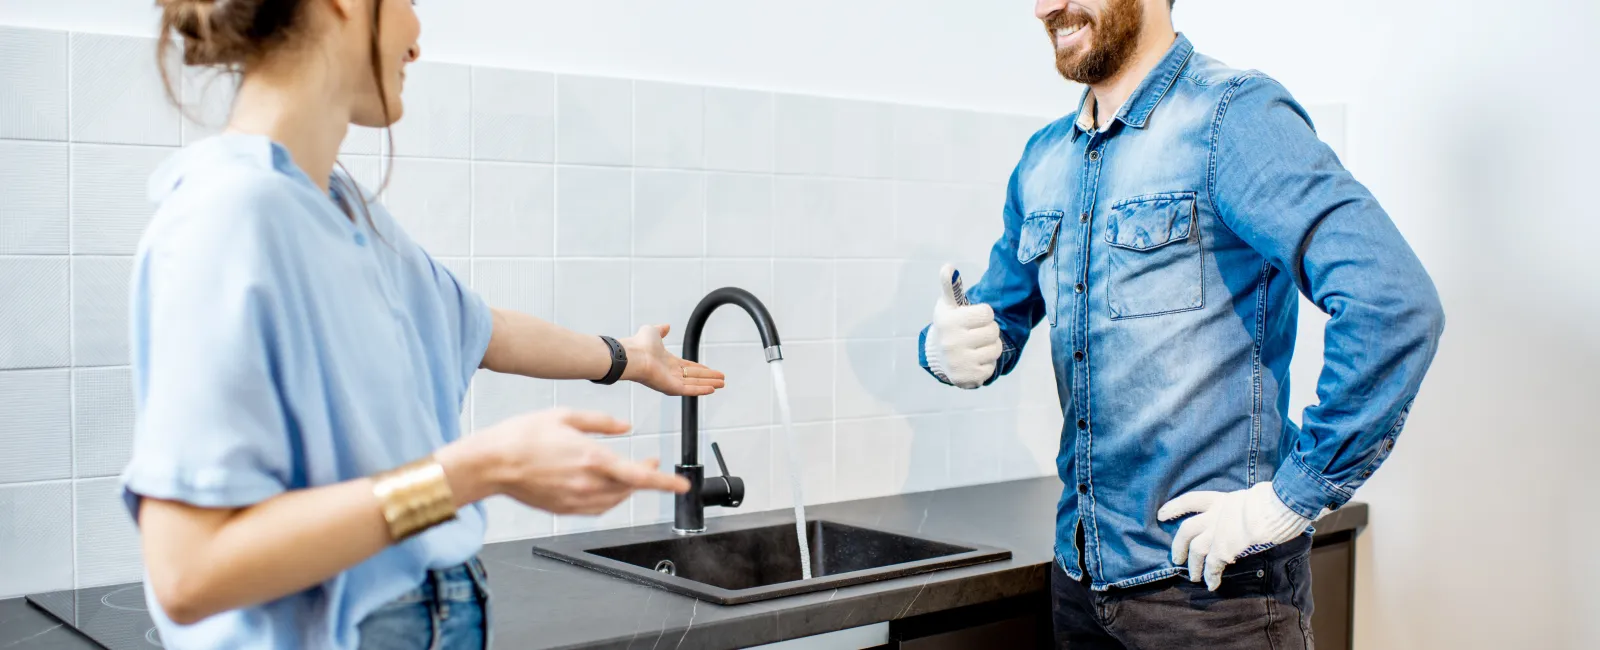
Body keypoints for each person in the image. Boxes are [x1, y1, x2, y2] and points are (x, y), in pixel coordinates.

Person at [125, 1, 726, 648]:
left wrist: (630, 358)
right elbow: (189, 574)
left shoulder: (340, 208)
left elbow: (478, 326)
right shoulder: (226, 219)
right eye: (411, 2)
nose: (417, 43)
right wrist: (475, 471)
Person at [918, 0, 1445, 647]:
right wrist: (946, 348)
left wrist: (1289, 498)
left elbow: (1391, 302)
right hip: (1079, 586)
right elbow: (995, 319)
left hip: (1216, 601)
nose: (1046, 6)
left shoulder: (1232, 117)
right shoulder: (1043, 159)